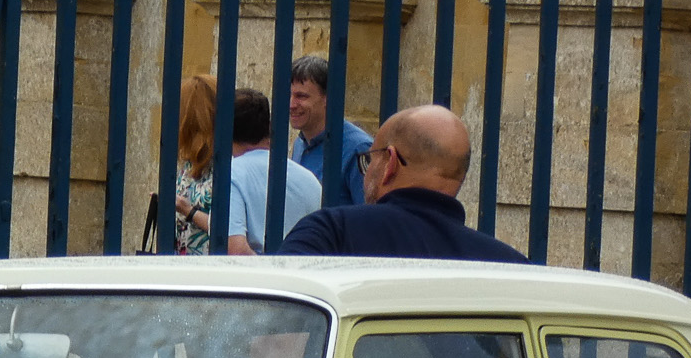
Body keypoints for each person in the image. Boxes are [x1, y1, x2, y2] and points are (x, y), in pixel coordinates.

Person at [280, 104, 524, 263]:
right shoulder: (509, 265)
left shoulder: (330, 234)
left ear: (390, 162)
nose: (366, 172)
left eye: (369, 160)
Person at [176, 88, 322, 255]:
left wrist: (274, 269)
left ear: (223, 130)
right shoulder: (309, 178)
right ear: (268, 127)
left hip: (258, 272)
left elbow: (236, 250)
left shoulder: (231, 175)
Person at [287, 53, 372, 208]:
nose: (291, 105)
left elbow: (370, 212)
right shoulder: (300, 143)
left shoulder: (358, 148)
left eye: (301, 96)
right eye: (289, 95)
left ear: (328, 98)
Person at [171, 75, 217, 256]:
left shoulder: (227, 166)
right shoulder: (187, 164)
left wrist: (188, 211)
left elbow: (231, 231)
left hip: (211, 267)